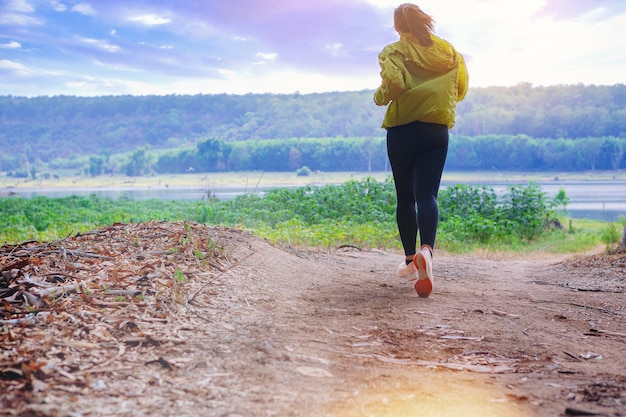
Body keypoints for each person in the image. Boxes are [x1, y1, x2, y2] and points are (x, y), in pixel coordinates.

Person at [374, 3, 468, 297]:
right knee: (427, 195)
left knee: (405, 197)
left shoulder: (393, 51)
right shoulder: (450, 52)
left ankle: (409, 260)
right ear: (425, 23)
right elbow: (461, 89)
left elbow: (395, 84)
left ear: (397, 27)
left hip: (402, 130)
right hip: (435, 130)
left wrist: (379, 97)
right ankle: (427, 251)